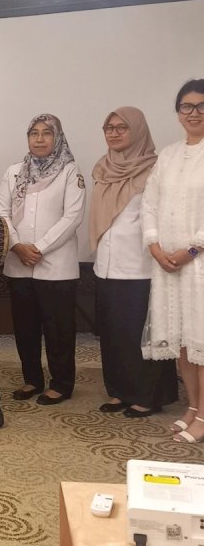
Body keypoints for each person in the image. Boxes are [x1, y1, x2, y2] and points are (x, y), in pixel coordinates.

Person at [91, 107, 177, 418]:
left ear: (138, 131)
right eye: (108, 127)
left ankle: (148, 395)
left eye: (121, 127)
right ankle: (119, 391)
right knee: (113, 333)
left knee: (142, 334)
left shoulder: (156, 170)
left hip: (141, 266)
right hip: (106, 265)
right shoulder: (103, 168)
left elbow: (162, 219)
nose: (113, 133)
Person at [0, 114, 85, 405]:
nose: (40, 138)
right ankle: (31, 379)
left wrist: (40, 248)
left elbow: (72, 217)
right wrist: (18, 246)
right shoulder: (14, 172)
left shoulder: (70, 171)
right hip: (19, 262)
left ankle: (61, 383)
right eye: (34, 133)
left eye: (47, 133)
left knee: (59, 329)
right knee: (26, 327)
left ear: (57, 137)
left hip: (56, 265)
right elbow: (2, 214)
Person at [142, 79, 204, 443]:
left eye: (200, 106)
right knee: (181, 340)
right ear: (178, 112)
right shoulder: (167, 154)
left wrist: (192, 249)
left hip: (198, 264)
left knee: (201, 340)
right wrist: (154, 246)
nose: (193, 113)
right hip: (167, 264)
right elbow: (150, 203)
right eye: (187, 107)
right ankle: (193, 407)